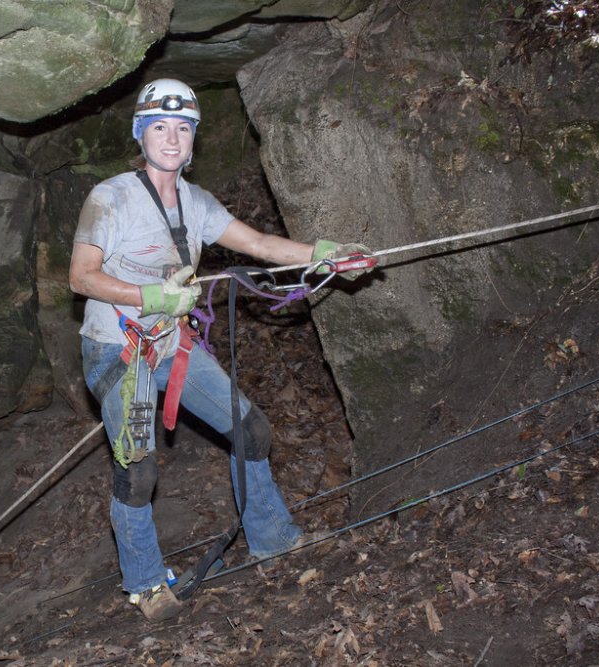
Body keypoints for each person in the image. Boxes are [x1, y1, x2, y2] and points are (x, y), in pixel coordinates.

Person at [68, 78, 371, 622]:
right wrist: (150, 295)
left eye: (182, 128)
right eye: (159, 126)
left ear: (193, 140)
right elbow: (81, 278)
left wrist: (324, 254)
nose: (171, 137)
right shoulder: (109, 198)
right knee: (137, 470)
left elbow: (256, 243)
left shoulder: (196, 202)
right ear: (142, 134)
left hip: (171, 343)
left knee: (250, 429)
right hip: (119, 349)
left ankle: (273, 539)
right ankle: (144, 585)